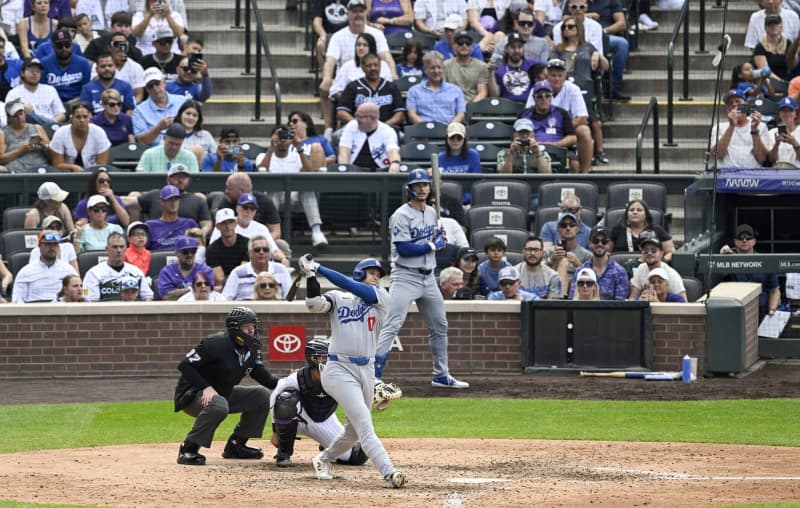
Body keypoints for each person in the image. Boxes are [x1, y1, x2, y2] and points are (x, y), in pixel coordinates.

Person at [297, 255, 406, 488]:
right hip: (338, 368)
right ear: (359, 273)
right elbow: (314, 304)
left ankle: (323, 458)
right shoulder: (339, 298)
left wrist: (319, 266)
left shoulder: (381, 297)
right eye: (371, 273)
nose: (377, 277)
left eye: (379, 274)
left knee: (353, 432)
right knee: (365, 425)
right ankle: (389, 472)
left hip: (365, 368)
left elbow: (349, 285)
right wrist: (310, 275)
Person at [376, 169, 469, 389]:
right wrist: (431, 245)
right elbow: (404, 248)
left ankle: (441, 374)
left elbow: (436, 240)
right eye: (417, 185)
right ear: (409, 188)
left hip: (429, 277)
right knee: (392, 324)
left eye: (425, 185)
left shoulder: (431, 213)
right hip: (405, 275)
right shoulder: (401, 215)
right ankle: (373, 375)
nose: (422, 188)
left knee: (439, 326)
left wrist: (440, 239)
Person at [173, 306, 278, 466]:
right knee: (218, 405)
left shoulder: (251, 347)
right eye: (246, 326)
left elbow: (261, 375)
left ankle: (236, 446)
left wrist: (290, 382)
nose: (251, 330)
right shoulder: (215, 343)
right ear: (235, 328)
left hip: (222, 393)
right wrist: (206, 387)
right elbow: (185, 365)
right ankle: (189, 448)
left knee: (262, 396)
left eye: (253, 325)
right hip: (193, 394)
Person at [270, 338, 367, 468]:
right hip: (299, 418)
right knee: (285, 400)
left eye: (329, 357)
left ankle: (326, 444)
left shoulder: (340, 377)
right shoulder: (299, 377)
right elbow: (275, 394)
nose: (328, 361)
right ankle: (284, 453)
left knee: (357, 456)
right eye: (323, 357)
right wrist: (275, 430)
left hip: (324, 419)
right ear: (312, 358)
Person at [318, 0, 396, 139]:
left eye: (361, 11)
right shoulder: (338, 36)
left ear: (366, 13)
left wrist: (394, 74)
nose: (358, 15)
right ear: (348, 14)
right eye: (354, 11)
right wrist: (327, 78)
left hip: (375, 83)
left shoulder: (376, 34)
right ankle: (328, 128)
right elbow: (330, 61)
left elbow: (386, 56)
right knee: (326, 87)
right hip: (347, 82)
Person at [257, 124, 329, 247]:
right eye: (279, 135)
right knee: (272, 190)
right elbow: (262, 168)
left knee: (306, 189)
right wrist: (271, 148)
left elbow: (309, 172)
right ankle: (271, 233)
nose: (282, 139)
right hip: (272, 200)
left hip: (295, 199)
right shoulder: (263, 156)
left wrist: (299, 147)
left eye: (286, 135)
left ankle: (317, 232)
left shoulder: (297, 155)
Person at [525, 58, 594, 172]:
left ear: (565, 76)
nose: (557, 78)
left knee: (584, 130)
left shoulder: (573, 89)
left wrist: (562, 127)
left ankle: (585, 172)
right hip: (540, 130)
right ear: (547, 76)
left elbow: (582, 118)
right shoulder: (538, 89)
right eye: (553, 75)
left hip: (567, 130)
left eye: (560, 75)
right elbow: (527, 115)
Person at [719, 224, 781, 319]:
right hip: (735, 310)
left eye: (748, 238)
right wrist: (722, 258)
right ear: (735, 241)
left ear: (754, 241)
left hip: (760, 311)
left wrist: (772, 311)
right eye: (741, 238)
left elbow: (774, 290)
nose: (744, 241)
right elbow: (720, 276)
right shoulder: (729, 259)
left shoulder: (765, 261)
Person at [207, 193, 287, 266]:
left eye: (252, 209)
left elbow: (274, 250)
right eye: (245, 207)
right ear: (237, 208)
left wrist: (283, 259)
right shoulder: (225, 224)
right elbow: (213, 248)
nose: (248, 211)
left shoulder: (261, 228)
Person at [519, 80, 579, 172]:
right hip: (531, 151)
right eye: (539, 96)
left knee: (574, 161)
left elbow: (573, 137)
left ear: (551, 97)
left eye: (547, 95)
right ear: (534, 98)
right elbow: (517, 136)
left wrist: (556, 145)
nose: (544, 99)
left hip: (557, 151)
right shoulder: (525, 114)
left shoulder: (561, 113)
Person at [336, 51, 404, 129]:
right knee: (336, 136)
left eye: (376, 65)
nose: (373, 68)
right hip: (358, 128)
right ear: (362, 67)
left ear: (380, 66)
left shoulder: (391, 87)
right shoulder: (352, 87)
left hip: (386, 128)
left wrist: (384, 126)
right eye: (369, 65)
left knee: (401, 137)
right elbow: (341, 112)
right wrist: (358, 124)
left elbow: (400, 113)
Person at [209, 172, 283, 241]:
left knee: (281, 244)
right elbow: (219, 231)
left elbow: (276, 232)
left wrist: (261, 242)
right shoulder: (225, 203)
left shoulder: (265, 202)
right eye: (245, 208)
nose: (226, 191)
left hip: (260, 244)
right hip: (232, 243)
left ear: (242, 191)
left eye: (252, 208)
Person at [83, 232, 154, 301]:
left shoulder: (136, 272)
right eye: (115, 247)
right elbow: (90, 300)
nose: (119, 250)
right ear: (107, 249)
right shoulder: (93, 273)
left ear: (126, 249)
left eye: (121, 247)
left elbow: (148, 296)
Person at [11, 229, 78, 303]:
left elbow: (84, 290)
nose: (52, 247)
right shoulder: (25, 272)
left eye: (55, 244)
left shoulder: (69, 270)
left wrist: (85, 298)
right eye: (48, 244)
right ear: (39, 245)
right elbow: (17, 298)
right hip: (33, 310)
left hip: (62, 309)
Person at [710, 88, 770, 169]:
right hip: (726, 176)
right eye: (730, 103)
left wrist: (754, 129)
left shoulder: (760, 126)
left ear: (746, 105)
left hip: (752, 176)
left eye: (738, 101)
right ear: (727, 109)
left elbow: (762, 159)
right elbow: (718, 154)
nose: (734, 104)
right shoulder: (719, 127)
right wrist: (731, 126)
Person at [222, 235, 292, 300]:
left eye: (265, 250)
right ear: (249, 254)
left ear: (270, 254)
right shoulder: (237, 273)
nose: (261, 252)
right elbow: (225, 299)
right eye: (257, 250)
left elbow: (289, 298)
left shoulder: (282, 270)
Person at [568, 225, 629, 300]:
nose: (599, 244)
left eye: (604, 241)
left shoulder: (620, 272)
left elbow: (621, 305)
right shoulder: (580, 271)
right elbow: (573, 299)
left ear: (609, 244)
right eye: (595, 241)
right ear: (590, 243)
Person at [337, 101, 400, 172]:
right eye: (356, 115)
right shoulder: (351, 126)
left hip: (379, 172)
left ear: (373, 118)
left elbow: (392, 150)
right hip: (353, 172)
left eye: (360, 117)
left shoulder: (387, 130)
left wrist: (395, 163)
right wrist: (345, 169)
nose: (356, 119)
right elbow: (344, 150)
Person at [406, 50, 466, 125]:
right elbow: (412, 115)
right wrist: (427, 127)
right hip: (423, 132)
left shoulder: (456, 90)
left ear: (443, 68)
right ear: (425, 70)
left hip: (448, 131)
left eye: (439, 67)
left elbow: (461, 114)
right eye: (432, 68)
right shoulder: (414, 91)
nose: (436, 71)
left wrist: (450, 127)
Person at [329, 33, 393, 101]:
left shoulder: (383, 65)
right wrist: (348, 102)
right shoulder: (347, 66)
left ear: (371, 47)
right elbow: (335, 91)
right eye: (358, 45)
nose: (361, 48)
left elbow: (389, 88)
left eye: (365, 45)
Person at [132, 67, 187, 146]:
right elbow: (141, 141)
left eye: (157, 83)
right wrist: (158, 128)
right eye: (150, 86)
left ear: (164, 83)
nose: (155, 88)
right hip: (154, 152)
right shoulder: (139, 111)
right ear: (146, 89)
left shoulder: (182, 101)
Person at [49, 102, 111, 171]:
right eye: (78, 117)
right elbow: (57, 165)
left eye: (85, 116)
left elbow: (101, 165)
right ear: (72, 117)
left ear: (90, 116)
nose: (82, 120)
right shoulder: (60, 133)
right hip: (66, 174)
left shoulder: (99, 132)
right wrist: (73, 167)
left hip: (93, 175)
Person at [608, 199, 674, 262]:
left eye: (639, 210)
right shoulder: (617, 230)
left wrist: (660, 262)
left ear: (646, 214)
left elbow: (671, 252)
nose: (635, 212)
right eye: (631, 210)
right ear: (627, 215)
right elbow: (607, 252)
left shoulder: (656, 230)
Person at [5, 57, 66, 125]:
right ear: (22, 73)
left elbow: (61, 114)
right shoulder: (13, 93)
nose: (34, 73)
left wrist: (49, 124)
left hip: (50, 126)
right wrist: (21, 106)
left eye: (38, 70)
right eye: (31, 70)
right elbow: (8, 115)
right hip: (26, 128)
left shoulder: (50, 90)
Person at [628, 231, 686, 301]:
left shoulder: (671, 274)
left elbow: (684, 305)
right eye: (645, 251)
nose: (649, 253)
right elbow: (633, 298)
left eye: (653, 251)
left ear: (661, 253)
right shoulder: (641, 268)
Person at [40, 28, 92, 106]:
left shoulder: (83, 63)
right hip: (52, 105)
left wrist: (68, 105)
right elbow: (43, 91)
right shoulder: (44, 63)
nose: (64, 49)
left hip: (78, 104)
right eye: (59, 46)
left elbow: (86, 92)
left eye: (67, 45)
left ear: (72, 45)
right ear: (53, 47)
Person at [545, 212, 592, 297]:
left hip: (578, 293)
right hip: (551, 290)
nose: (568, 228)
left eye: (572, 225)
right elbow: (538, 272)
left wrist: (578, 264)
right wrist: (551, 260)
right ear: (558, 230)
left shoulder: (587, 255)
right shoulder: (548, 252)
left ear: (577, 229)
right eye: (563, 225)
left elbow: (592, 279)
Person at [489, 30, 541, 104]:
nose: (516, 50)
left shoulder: (533, 65)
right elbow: (494, 96)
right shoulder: (499, 70)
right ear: (506, 49)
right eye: (513, 47)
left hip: (529, 107)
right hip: (507, 109)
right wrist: (491, 73)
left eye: (520, 47)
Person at [0, 98, 51, 173]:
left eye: (21, 114)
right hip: (14, 170)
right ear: (9, 118)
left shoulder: (37, 128)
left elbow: (51, 154)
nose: (20, 118)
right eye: (15, 116)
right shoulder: (2, 133)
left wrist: (44, 146)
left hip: (40, 167)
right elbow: (1, 159)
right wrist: (20, 150)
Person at [157, 235, 214, 300]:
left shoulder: (205, 270)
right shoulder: (167, 271)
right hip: (173, 308)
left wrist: (178, 292)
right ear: (177, 253)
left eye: (193, 251)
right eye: (185, 252)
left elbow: (209, 293)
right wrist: (191, 289)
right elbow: (165, 295)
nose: (190, 255)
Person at [145, 184, 199, 251]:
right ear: (162, 202)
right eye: (170, 199)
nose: (173, 203)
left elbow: (199, 248)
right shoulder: (150, 225)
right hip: (159, 259)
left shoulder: (189, 223)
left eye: (176, 199)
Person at [205, 208, 250, 287]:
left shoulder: (247, 243)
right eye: (224, 223)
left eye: (230, 222)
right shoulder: (212, 250)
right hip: (225, 285)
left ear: (235, 224)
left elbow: (244, 272)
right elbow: (219, 278)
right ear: (218, 226)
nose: (228, 227)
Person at [443, 30, 489, 104]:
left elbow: (482, 93)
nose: (464, 46)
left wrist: (470, 106)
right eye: (460, 43)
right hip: (451, 104)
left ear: (472, 46)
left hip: (474, 106)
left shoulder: (482, 66)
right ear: (454, 46)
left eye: (468, 43)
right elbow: (443, 90)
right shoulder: (445, 65)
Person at [515, 235, 562, 299]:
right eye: (529, 249)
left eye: (536, 250)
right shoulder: (514, 273)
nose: (532, 253)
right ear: (523, 252)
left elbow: (553, 305)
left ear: (542, 253)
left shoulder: (553, 276)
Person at [106, 29, 146, 103]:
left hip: (129, 106)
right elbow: (96, 85)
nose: (120, 47)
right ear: (109, 47)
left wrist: (129, 108)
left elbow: (139, 95)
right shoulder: (101, 64)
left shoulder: (136, 67)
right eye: (116, 44)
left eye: (124, 44)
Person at [176, 100, 216, 165]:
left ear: (198, 119)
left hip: (203, 173)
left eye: (195, 115)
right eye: (188, 113)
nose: (191, 117)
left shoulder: (206, 135)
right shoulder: (171, 134)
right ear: (180, 114)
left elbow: (216, 156)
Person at [755, 14, 791, 81]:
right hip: (770, 82)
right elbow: (765, 71)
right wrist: (781, 82)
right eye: (770, 24)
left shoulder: (788, 44)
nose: (773, 26)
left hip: (789, 80)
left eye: (776, 24)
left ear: (781, 27)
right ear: (765, 28)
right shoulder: (760, 47)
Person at [767, 96, 800, 167]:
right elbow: (770, 160)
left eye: (790, 110)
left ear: (795, 113)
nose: (787, 113)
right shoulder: (772, 132)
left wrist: (795, 144)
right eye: (784, 110)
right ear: (779, 114)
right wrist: (776, 144)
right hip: (777, 173)